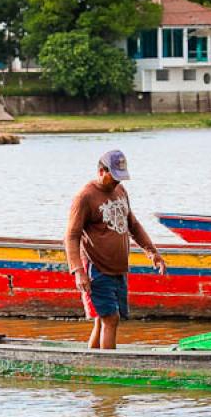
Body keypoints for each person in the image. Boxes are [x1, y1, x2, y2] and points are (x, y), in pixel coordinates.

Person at [65, 149, 167, 350]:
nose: (118, 182)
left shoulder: (120, 191)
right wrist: (78, 271)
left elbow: (133, 224)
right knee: (111, 319)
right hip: (97, 268)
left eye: (121, 177)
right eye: (114, 176)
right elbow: (71, 236)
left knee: (101, 319)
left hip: (118, 269)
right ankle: (108, 365)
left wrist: (152, 251)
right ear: (102, 171)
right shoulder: (85, 197)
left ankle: (92, 362)